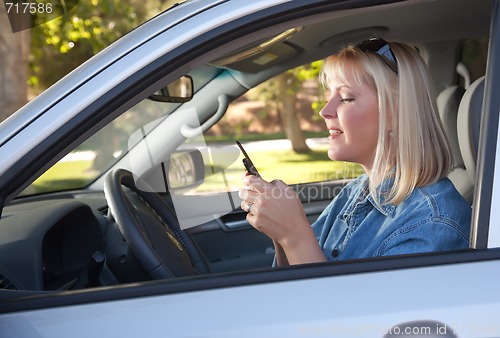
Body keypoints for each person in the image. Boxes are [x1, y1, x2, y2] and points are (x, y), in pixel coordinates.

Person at [238, 37, 471, 266]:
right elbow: (297, 280)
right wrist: (280, 231)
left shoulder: (433, 222)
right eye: (330, 95)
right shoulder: (357, 191)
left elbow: (335, 305)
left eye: (347, 98)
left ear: (396, 113)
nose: (325, 111)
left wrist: (294, 236)